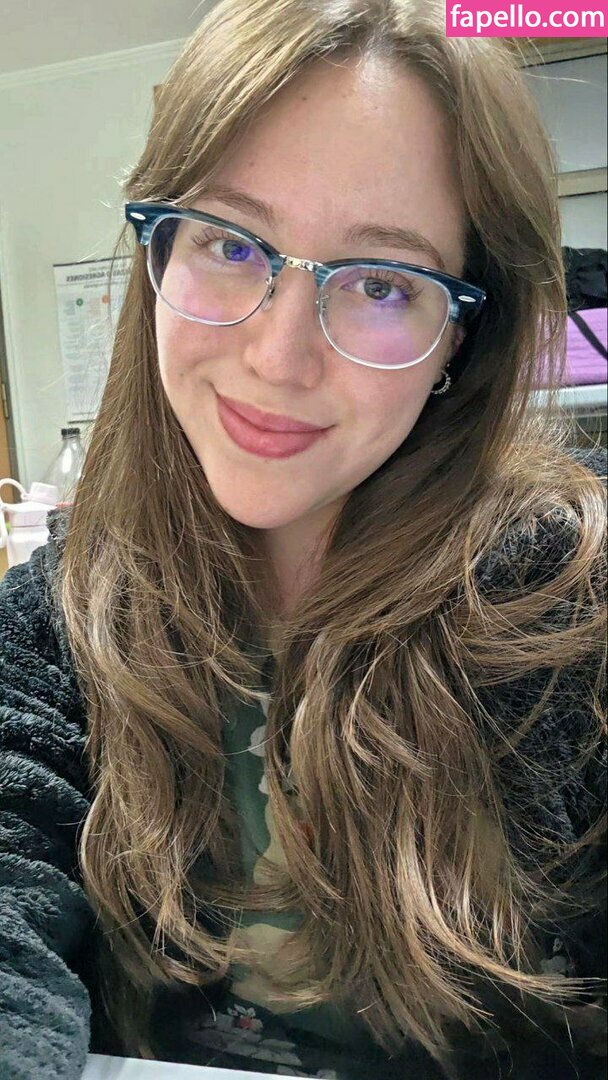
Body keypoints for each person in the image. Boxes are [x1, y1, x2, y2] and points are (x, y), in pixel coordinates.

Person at [0, 1, 606, 1078]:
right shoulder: (57, 621)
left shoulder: (573, 623)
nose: (278, 358)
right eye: (232, 244)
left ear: (461, 340)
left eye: (380, 283)